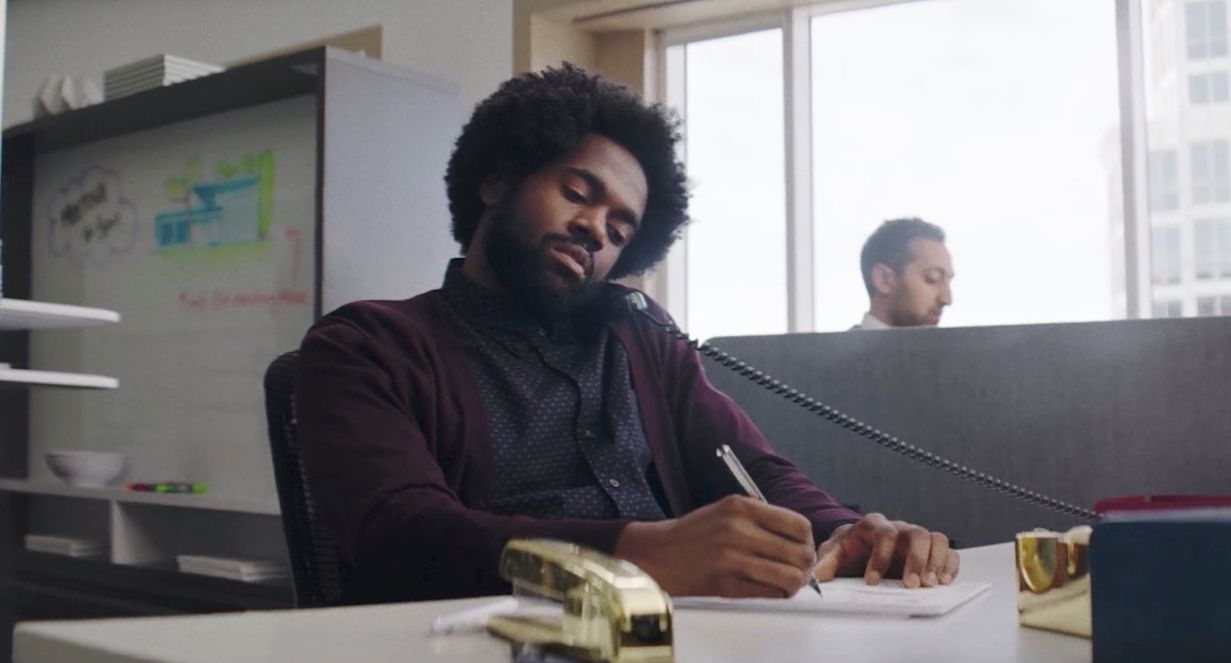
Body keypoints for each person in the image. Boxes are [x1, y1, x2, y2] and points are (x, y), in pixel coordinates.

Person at [295, 65, 958, 605]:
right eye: (579, 192)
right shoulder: (366, 346)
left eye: (619, 229)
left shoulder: (642, 340)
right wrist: (641, 552)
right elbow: (403, 536)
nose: (594, 230)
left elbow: (750, 468)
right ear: (496, 179)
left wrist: (846, 529)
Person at [852, 218, 954, 330]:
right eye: (933, 278)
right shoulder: (834, 347)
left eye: (948, 282)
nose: (946, 299)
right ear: (884, 279)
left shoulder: (958, 347)